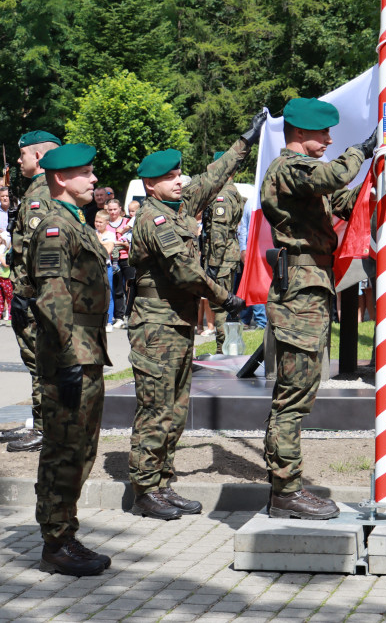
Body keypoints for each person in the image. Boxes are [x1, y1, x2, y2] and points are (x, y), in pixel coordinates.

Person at [126, 113, 261, 521]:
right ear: (152, 184)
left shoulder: (179, 205)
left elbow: (212, 176)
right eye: (171, 177)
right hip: (155, 327)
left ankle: (163, 483)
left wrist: (245, 141)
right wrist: (227, 299)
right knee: (156, 408)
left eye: (180, 173)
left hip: (178, 325)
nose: (180, 180)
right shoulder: (154, 218)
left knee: (177, 408)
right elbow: (186, 272)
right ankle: (144, 489)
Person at [259, 98, 369, 519]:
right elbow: (335, 175)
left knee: (299, 396)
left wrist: (380, 177)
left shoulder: (307, 180)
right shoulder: (289, 168)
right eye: (323, 133)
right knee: (292, 400)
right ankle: (286, 492)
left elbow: (344, 201)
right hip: (300, 295)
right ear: (299, 133)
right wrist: (362, 150)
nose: (328, 140)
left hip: (314, 289)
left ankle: (286, 488)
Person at [26, 142, 112, 576]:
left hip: (86, 346)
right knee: (64, 447)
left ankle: (65, 532)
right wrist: (68, 357)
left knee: (81, 447)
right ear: (61, 178)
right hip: (71, 349)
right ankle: (55, 543)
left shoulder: (77, 222)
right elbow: (52, 293)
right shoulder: (54, 228)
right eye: (86, 173)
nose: (94, 179)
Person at [7, 130, 63, 453]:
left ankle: (44, 428)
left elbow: (35, 250)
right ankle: (42, 423)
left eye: (23, 154)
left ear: (38, 157)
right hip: (37, 295)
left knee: (40, 361)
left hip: (34, 298)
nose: (19, 160)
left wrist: (24, 294)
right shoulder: (42, 190)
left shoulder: (39, 195)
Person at [199, 152, 247, 353]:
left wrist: (213, 264)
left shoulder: (222, 197)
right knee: (222, 301)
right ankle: (226, 346)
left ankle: (223, 349)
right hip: (226, 255)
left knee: (219, 303)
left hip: (221, 257)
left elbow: (218, 234)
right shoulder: (229, 192)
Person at [237, 198, 267, 329]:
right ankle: (247, 319)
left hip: (266, 249)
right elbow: (243, 227)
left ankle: (261, 321)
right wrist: (243, 248)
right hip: (252, 250)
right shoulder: (251, 202)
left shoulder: (272, 199)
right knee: (251, 284)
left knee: (256, 285)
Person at [105, 199, 131, 328]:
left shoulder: (127, 222)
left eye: (115, 209)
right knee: (117, 289)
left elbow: (131, 241)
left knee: (130, 287)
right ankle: (119, 316)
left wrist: (123, 244)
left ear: (120, 209)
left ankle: (130, 315)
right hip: (112, 259)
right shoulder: (105, 224)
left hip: (126, 258)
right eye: (110, 210)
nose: (113, 212)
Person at [93, 209, 117, 330]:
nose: (97, 224)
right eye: (96, 221)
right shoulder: (92, 233)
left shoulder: (110, 235)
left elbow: (107, 251)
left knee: (108, 294)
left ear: (107, 223)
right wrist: (102, 243)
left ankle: (108, 321)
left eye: (100, 222)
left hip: (105, 267)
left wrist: (97, 241)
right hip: (93, 267)